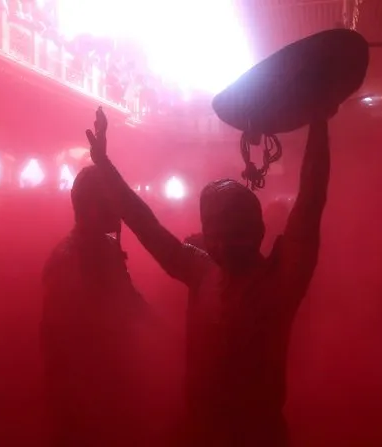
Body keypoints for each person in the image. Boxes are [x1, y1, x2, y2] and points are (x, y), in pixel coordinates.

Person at [86, 105, 331, 446]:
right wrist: (106, 168)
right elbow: (145, 225)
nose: (222, 242)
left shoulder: (280, 280)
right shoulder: (201, 270)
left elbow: (310, 201)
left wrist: (318, 120)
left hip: (257, 435)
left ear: (258, 230)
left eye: (233, 230)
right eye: (213, 229)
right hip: (201, 429)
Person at [40, 165, 151, 446]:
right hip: (85, 393)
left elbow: (128, 300)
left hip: (106, 383)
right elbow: (63, 340)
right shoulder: (70, 259)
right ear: (91, 207)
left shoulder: (102, 248)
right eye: (112, 205)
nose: (119, 215)